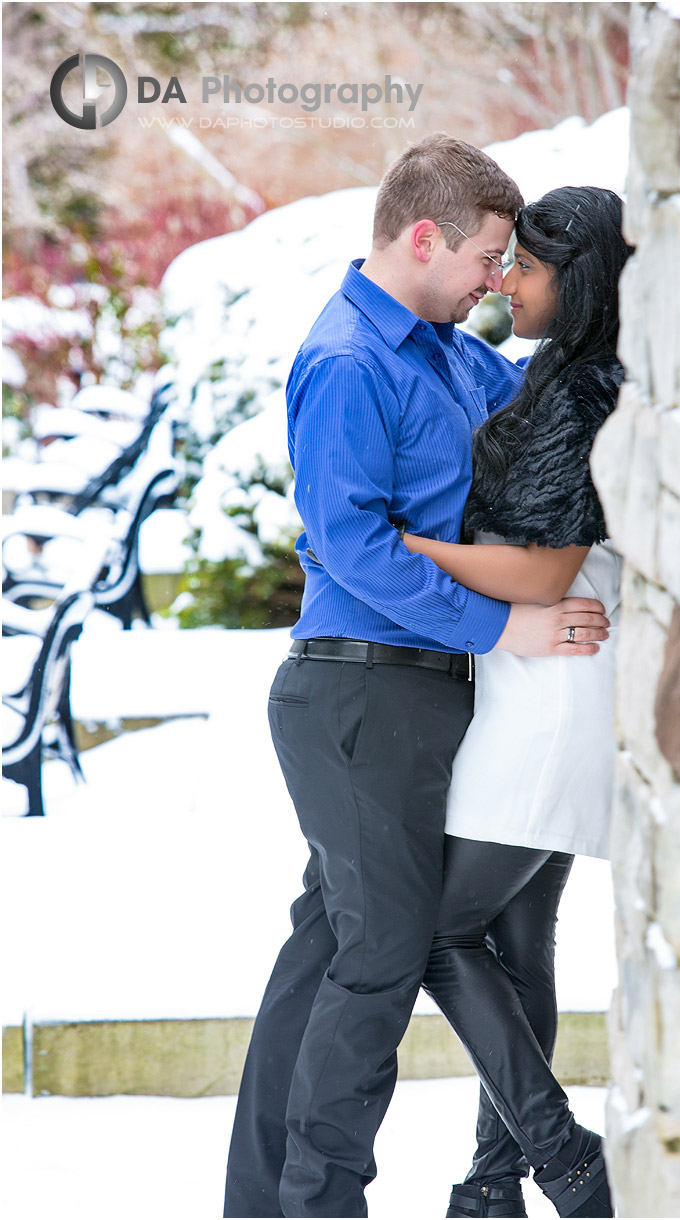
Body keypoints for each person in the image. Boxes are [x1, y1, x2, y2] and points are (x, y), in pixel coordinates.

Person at [223, 139, 611, 1219]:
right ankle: (318, 1203)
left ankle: (263, 1202)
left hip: (419, 693)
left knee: (330, 955)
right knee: (382, 959)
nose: (496, 277)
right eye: (487, 254)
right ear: (422, 235)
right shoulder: (349, 360)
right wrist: (507, 623)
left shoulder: (443, 350)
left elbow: (543, 408)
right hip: (361, 695)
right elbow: (352, 545)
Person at [400, 185, 631, 1218]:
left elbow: (542, 574)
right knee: (516, 941)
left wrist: (404, 549)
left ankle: (566, 1157)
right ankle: (494, 1183)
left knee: (438, 932)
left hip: (553, 697)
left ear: (572, 285)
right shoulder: (559, 374)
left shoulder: (581, 390)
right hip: (541, 686)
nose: (502, 280)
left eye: (523, 269)